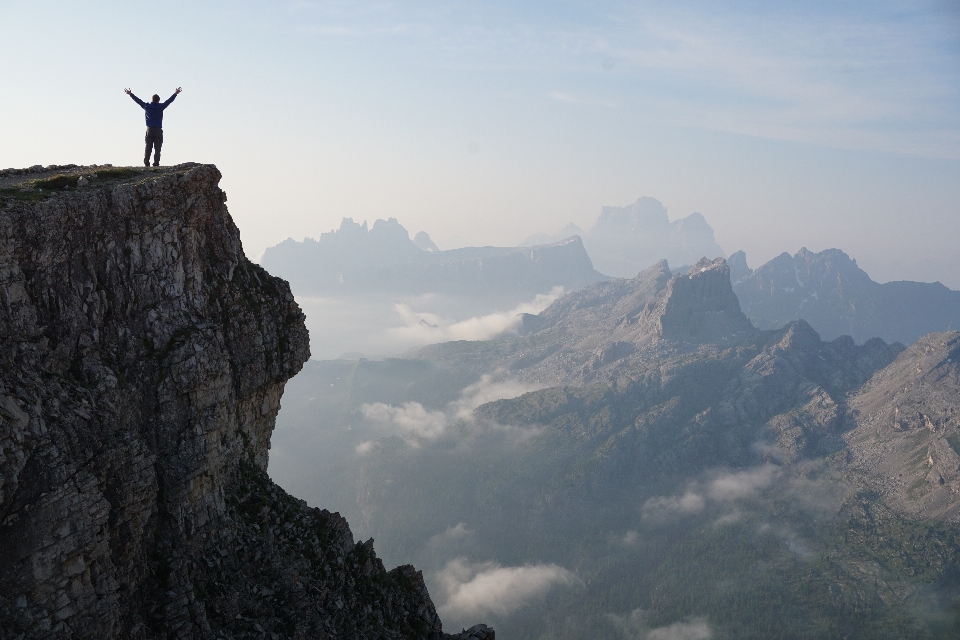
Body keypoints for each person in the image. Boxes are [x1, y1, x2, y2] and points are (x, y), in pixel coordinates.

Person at [125, 87, 182, 167]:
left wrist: (130, 94)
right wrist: (175, 93)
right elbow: (169, 101)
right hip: (158, 129)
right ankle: (156, 163)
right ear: (158, 100)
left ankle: (146, 162)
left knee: (148, 147)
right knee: (157, 147)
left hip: (149, 129)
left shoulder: (147, 106)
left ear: (152, 100)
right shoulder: (160, 107)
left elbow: (138, 101)